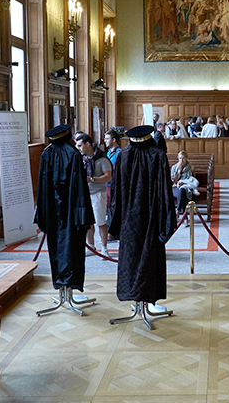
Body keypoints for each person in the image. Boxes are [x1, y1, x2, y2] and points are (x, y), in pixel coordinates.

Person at [108, 125, 175, 305]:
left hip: (128, 218)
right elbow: (165, 192)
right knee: (149, 257)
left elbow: (115, 192)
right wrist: (166, 220)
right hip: (151, 217)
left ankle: (132, 295)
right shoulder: (157, 155)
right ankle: (147, 298)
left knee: (130, 257)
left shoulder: (123, 155)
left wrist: (114, 219)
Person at [34, 124, 94, 293]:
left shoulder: (47, 153)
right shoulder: (73, 154)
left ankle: (60, 285)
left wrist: (42, 211)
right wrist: (83, 216)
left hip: (51, 210)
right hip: (71, 212)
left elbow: (42, 185)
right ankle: (70, 286)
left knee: (55, 247)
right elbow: (79, 188)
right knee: (72, 249)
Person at [75, 132, 113, 257]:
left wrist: (92, 179)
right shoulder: (81, 158)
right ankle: (91, 246)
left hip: (97, 193)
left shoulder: (102, 158)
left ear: (87, 144)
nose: (78, 148)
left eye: (80, 145)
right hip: (84, 193)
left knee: (101, 221)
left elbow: (108, 177)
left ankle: (104, 247)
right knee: (87, 222)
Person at [171, 150, 198, 217]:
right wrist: (179, 172)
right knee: (181, 193)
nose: (182, 160)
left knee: (182, 191)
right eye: (180, 158)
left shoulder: (190, 167)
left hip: (187, 187)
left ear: (186, 158)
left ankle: (178, 211)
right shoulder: (174, 167)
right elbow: (173, 180)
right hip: (175, 187)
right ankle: (185, 217)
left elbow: (192, 179)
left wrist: (183, 182)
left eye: (183, 158)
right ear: (178, 159)